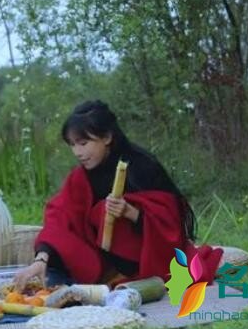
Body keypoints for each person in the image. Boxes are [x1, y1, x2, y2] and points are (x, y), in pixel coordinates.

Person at [13, 100, 223, 290]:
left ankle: (116, 277)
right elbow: (60, 218)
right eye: (72, 144)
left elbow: (170, 221)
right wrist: (41, 260)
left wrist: (131, 213)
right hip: (99, 258)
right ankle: (77, 274)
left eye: (83, 143)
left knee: (105, 213)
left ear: (107, 137)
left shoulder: (142, 166)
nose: (77, 152)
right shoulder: (80, 176)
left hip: (142, 256)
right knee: (60, 239)